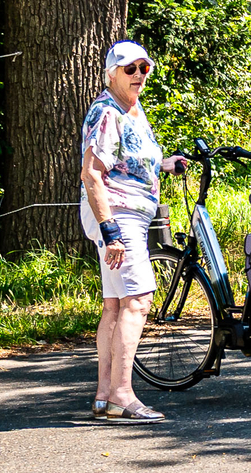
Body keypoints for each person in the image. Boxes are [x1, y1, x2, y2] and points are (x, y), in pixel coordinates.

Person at [79, 40, 185, 422]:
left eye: (144, 67)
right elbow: (92, 174)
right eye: (129, 68)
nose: (139, 74)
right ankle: (123, 394)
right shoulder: (107, 112)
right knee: (138, 300)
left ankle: (105, 394)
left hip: (129, 212)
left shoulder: (132, 109)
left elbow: (131, 162)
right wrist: (111, 232)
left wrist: (165, 164)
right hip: (117, 214)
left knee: (115, 305)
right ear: (112, 74)